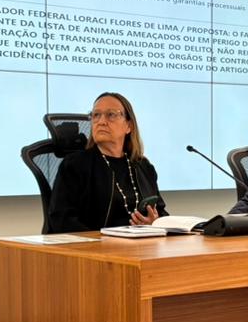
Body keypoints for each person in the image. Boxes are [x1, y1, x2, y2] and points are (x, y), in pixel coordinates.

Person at [47, 92, 168, 232]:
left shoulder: (144, 167)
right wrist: (103, 241)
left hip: (141, 248)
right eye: (96, 115)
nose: (101, 121)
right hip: (95, 249)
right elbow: (61, 219)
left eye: (111, 114)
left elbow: (161, 212)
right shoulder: (75, 165)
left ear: (129, 126)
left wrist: (155, 224)